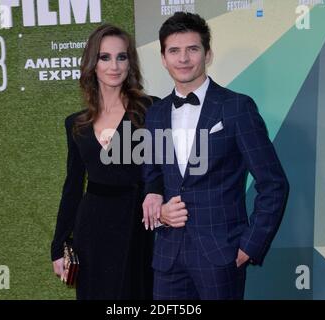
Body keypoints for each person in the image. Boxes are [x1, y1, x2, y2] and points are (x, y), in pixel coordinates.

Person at [142, 12, 289, 300]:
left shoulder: (236, 108)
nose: (183, 58)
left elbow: (273, 183)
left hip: (221, 255)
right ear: (163, 58)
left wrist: (250, 245)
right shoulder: (155, 114)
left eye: (192, 49)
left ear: (207, 55)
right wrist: (158, 208)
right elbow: (153, 176)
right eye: (174, 50)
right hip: (168, 257)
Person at [51, 24, 163, 300]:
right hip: (92, 227)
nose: (114, 65)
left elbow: (164, 169)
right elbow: (73, 187)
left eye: (121, 57)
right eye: (105, 57)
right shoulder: (76, 124)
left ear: (130, 63)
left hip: (138, 224)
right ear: (92, 64)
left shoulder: (151, 109)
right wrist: (59, 246)